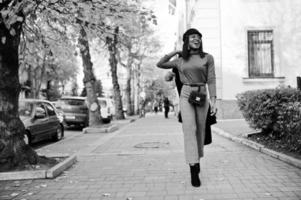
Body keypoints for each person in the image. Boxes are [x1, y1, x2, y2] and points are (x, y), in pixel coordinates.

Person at [157, 28, 217, 187]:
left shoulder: (208, 58)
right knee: (189, 129)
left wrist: (214, 100)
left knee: (200, 130)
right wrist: (175, 51)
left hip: (202, 94)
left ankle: (196, 160)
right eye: (192, 37)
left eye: (198, 37)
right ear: (187, 41)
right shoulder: (180, 60)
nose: (196, 39)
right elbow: (160, 64)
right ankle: (193, 167)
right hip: (186, 94)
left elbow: (211, 79)